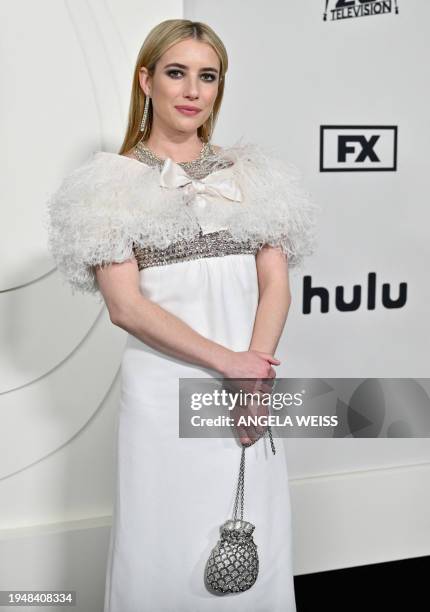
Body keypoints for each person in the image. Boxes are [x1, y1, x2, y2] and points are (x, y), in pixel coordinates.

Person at [46, 18, 318, 612]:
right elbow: (126, 306)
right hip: (166, 389)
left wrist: (254, 378)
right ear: (146, 80)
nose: (192, 90)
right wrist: (233, 365)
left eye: (207, 76)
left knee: (249, 533)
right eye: (176, 73)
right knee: (165, 542)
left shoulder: (255, 177)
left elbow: (275, 284)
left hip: (251, 382)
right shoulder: (106, 185)